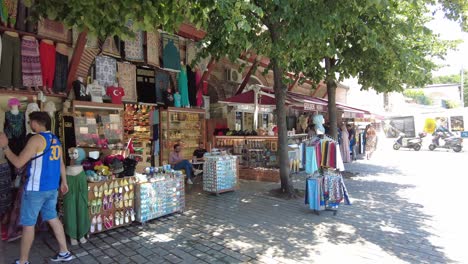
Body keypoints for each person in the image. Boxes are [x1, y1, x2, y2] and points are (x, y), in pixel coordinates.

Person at [0, 112, 73, 264]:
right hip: (52, 188)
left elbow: (18, 162)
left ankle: (23, 260)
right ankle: (64, 252)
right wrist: (63, 182)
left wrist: (5, 147)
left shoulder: (36, 139)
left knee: (28, 224)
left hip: (36, 190)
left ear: (36, 122)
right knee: (52, 218)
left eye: (30, 121)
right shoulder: (55, 139)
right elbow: (60, 163)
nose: (29, 124)